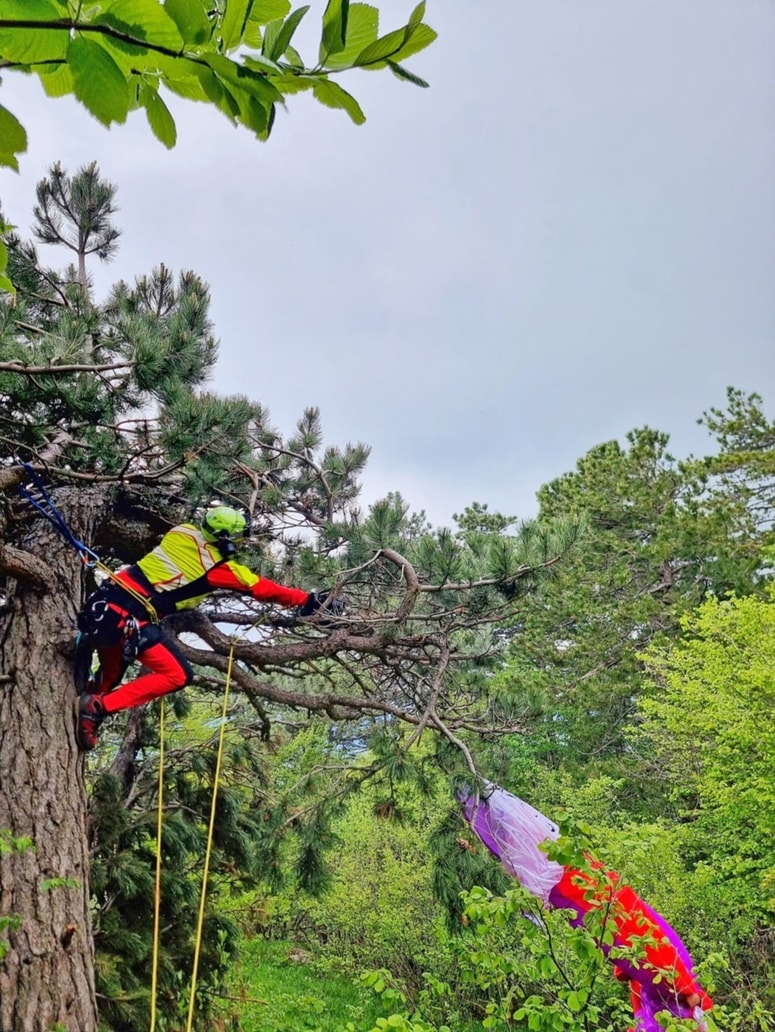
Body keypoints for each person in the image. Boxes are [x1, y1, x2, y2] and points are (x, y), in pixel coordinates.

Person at [74, 505, 339, 750]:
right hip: (129, 619)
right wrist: (308, 601)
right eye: (238, 537)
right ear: (226, 540)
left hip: (104, 605)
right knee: (178, 675)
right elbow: (263, 589)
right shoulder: (217, 568)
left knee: (110, 676)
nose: (241, 542)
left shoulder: (182, 531)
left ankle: (89, 694)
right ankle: (98, 708)